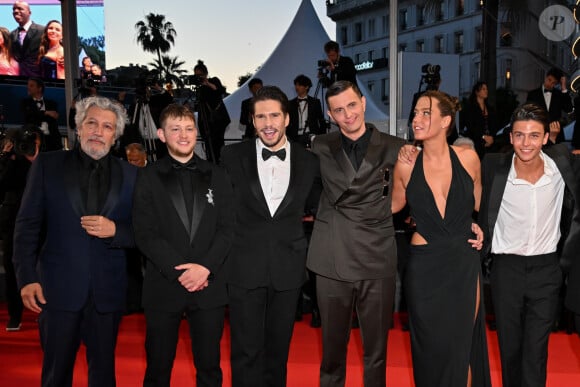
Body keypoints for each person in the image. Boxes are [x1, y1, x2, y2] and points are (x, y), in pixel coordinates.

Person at [12, 96, 137, 387]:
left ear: (115, 135)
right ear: (78, 127)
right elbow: (26, 226)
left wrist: (115, 231)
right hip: (56, 290)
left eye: (107, 126)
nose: (98, 130)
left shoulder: (132, 175)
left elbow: (144, 232)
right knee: (56, 375)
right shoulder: (47, 165)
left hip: (108, 293)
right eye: (91, 122)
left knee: (104, 376)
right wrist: (26, 278)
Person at [306, 80, 405, 387]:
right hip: (332, 255)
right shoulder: (320, 146)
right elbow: (308, 188)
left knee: (376, 352)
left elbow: (410, 195)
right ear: (330, 113)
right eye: (339, 110)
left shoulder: (395, 147)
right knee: (333, 349)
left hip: (376, 255)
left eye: (351, 105)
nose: (347, 115)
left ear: (363, 102)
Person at [221, 85, 321, 387]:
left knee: (278, 354)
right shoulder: (231, 156)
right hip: (243, 268)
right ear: (252, 121)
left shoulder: (309, 161)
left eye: (274, 115)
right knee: (245, 352)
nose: (268, 123)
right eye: (261, 116)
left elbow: (325, 207)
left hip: (288, 271)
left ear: (287, 118)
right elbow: (219, 211)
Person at [391, 90, 490, 387]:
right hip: (424, 269)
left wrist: (478, 225)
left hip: (462, 264)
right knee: (432, 350)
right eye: (415, 113)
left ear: (446, 120)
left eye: (425, 113)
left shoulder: (469, 158)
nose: (416, 119)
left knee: (460, 348)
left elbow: (479, 204)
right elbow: (391, 207)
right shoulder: (406, 164)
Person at [133, 103, 235, 387]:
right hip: (164, 287)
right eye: (175, 129)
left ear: (197, 132)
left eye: (189, 128)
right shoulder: (147, 176)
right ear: (161, 134)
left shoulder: (218, 174)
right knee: (157, 369)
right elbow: (145, 233)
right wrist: (181, 272)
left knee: (210, 370)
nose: (183, 135)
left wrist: (205, 269)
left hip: (208, 287)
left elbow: (228, 228)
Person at [479, 103, 580, 387]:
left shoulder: (562, 163)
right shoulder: (494, 169)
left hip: (547, 270)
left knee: (535, 353)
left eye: (534, 135)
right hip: (505, 269)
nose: (526, 143)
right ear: (510, 138)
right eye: (520, 135)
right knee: (510, 351)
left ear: (546, 137)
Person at [0, 126, 40, 331]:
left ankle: (45, 309)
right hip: (12, 221)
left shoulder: (42, 160)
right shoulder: (11, 161)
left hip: (40, 221)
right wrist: (5, 158)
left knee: (43, 266)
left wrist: (35, 159)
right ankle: (15, 315)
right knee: (11, 266)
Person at [194, 60, 230, 163]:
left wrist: (207, 83)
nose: (198, 77)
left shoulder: (213, 80)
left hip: (217, 119)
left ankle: (220, 162)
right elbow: (198, 104)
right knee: (208, 145)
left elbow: (221, 91)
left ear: (205, 73)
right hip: (205, 120)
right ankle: (211, 163)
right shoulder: (199, 88)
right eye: (196, 75)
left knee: (218, 142)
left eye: (200, 75)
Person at [526, 67, 573, 144]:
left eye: (554, 83)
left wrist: (564, 88)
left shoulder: (559, 95)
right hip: (538, 135)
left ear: (557, 83)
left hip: (557, 136)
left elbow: (569, 109)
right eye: (549, 80)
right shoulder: (533, 94)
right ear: (546, 77)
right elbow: (528, 114)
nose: (550, 84)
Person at [20, 77, 62, 151]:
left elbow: (54, 117)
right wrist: (46, 113)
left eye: (31, 86)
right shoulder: (25, 103)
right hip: (33, 141)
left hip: (51, 142)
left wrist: (38, 115)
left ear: (39, 88)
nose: (28, 88)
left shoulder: (51, 103)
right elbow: (29, 117)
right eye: (28, 85)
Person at [460, 81, 498, 158]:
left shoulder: (490, 108)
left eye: (486, 89)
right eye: (483, 89)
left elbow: (494, 125)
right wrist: (483, 137)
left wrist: (491, 137)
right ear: (477, 92)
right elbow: (470, 126)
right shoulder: (470, 108)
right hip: (475, 142)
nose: (486, 91)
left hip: (489, 143)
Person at [287, 74, 326, 147]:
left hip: (311, 136)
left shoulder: (315, 102)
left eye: (299, 85)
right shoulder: (290, 103)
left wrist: (320, 137)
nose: (296, 87)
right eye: (296, 85)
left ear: (307, 87)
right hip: (295, 137)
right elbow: (288, 122)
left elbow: (321, 120)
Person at [10, 1, 43, 77]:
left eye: (20, 8)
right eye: (14, 9)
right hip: (18, 78)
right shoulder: (12, 35)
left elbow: (69, 41)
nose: (15, 11)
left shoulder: (42, 30)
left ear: (29, 12)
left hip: (39, 79)